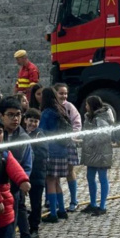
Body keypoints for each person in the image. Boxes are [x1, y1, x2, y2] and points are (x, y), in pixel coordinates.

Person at [0, 96, 34, 238]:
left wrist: (22, 180)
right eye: (10, 115)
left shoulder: (23, 137)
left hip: (14, 187)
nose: (15, 119)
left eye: (18, 114)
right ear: (1, 116)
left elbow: (27, 163)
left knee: (14, 216)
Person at [40, 87, 73, 222]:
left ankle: (53, 213)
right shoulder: (61, 110)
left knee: (50, 181)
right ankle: (62, 210)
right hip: (63, 150)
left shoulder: (46, 113)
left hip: (51, 151)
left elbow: (41, 131)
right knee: (57, 181)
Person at [80, 95, 114, 215]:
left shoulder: (101, 118)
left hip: (101, 152)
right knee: (90, 177)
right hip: (92, 152)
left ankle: (102, 205)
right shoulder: (89, 117)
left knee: (102, 178)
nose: (86, 107)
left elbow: (104, 134)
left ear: (92, 106)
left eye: (87, 105)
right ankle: (93, 203)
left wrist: (89, 142)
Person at [54, 82, 82, 211]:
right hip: (55, 145)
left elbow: (77, 123)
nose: (64, 96)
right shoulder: (52, 107)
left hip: (69, 143)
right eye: (61, 93)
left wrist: (72, 136)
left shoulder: (70, 107)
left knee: (70, 171)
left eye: (65, 93)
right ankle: (58, 201)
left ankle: (74, 200)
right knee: (56, 174)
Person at [24, 108, 48, 238]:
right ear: (25, 120)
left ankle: (34, 228)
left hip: (37, 174)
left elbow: (43, 154)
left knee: (36, 203)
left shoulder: (40, 136)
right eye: (31, 120)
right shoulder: (21, 134)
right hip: (24, 174)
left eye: (36, 121)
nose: (33, 124)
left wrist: (30, 153)